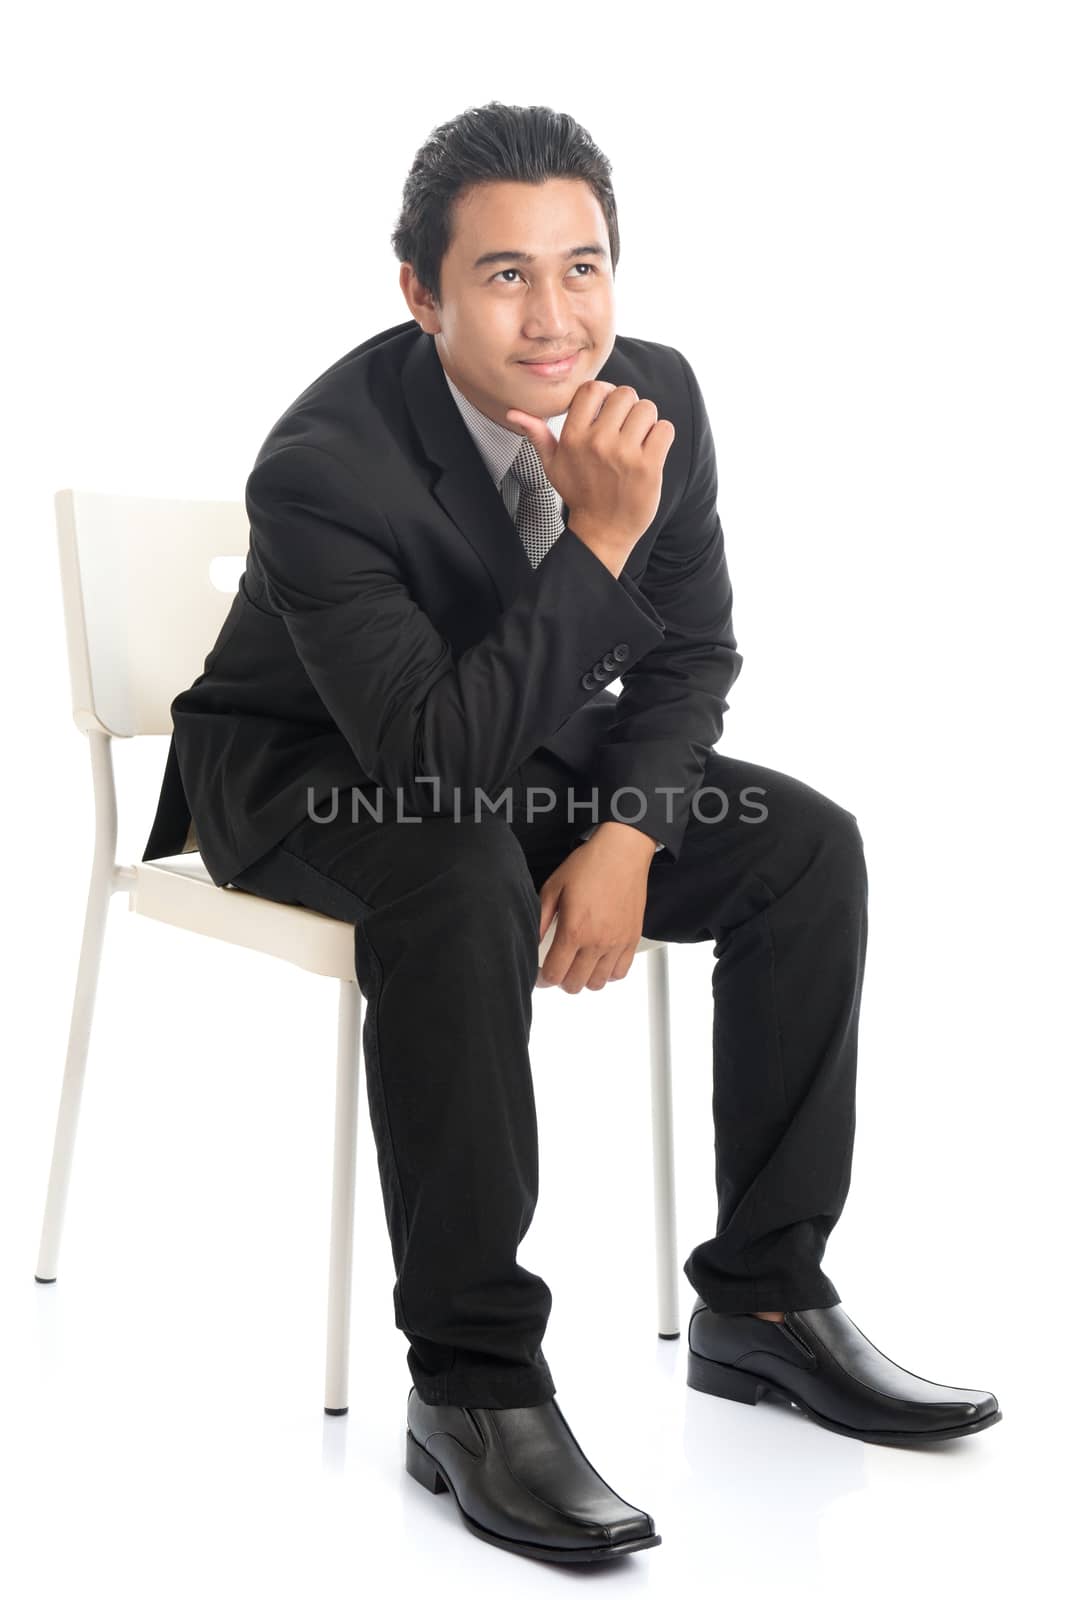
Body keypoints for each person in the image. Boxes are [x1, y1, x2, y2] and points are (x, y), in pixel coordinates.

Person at [141, 100, 1001, 1565]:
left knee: (806, 844)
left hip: (521, 755)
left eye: (584, 266)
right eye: (505, 274)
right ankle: (473, 1385)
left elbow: (689, 659)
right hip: (312, 775)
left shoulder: (656, 392)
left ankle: (766, 1299)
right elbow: (430, 761)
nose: (558, 319)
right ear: (419, 292)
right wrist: (601, 535)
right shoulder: (322, 466)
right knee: (461, 863)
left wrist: (626, 839)